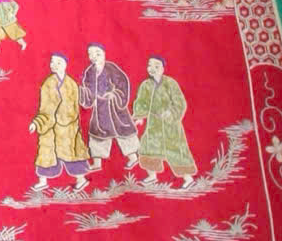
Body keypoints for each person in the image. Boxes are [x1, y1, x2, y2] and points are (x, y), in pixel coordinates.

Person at [28, 52, 91, 192]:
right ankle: (42, 181)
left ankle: (81, 179)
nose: (54, 65)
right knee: (46, 153)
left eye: (58, 62)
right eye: (52, 62)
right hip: (50, 125)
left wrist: (66, 120)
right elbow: (44, 107)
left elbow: (73, 107)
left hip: (68, 126)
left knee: (73, 153)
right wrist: (37, 123)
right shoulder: (48, 83)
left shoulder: (71, 84)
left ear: (65, 65)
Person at [132, 55, 197, 187]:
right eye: (150, 65)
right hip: (154, 124)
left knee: (177, 151)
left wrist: (170, 113)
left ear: (162, 69)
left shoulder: (170, 83)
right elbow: (141, 102)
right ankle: (152, 176)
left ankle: (188, 179)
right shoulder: (145, 85)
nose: (152, 68)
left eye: (156, 66)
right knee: (147, 149)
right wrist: (140, 116)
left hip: (170, 126)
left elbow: (180, 103)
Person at [79, 43, 139, 173]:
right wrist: (86, 96)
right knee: (97, 135)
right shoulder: (89, 72)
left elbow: (123, 84)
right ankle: (97, 163)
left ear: (104, 54)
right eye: (91, 54)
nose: (94, 56)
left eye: (98, 53)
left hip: (115, 108)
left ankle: (133, 158)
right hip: (100, 110)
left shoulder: (111, 68)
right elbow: (88, 90)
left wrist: (115, 94)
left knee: (123, 133)